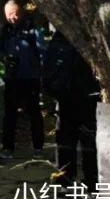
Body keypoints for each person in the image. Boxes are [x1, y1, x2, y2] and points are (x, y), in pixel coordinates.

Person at [42, 29, 100, 188]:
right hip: (74, 95)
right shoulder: (67, 36)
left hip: (80, 95)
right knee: (77, 140)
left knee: (80, 140)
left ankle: (82, 181)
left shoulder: (66, 36)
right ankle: (79, 181)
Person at [0, 0, 45, 157]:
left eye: (14, 14)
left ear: (21, 13)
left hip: (30, 78)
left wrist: (41, 71)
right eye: (8, 15)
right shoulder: (5, 31)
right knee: (10, 115)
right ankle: (8, 148)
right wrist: (5, 58)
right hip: (12, 77)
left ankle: (38, 148)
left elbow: (42, 51)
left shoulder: (32, 29)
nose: (12, 18)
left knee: (34, 113)